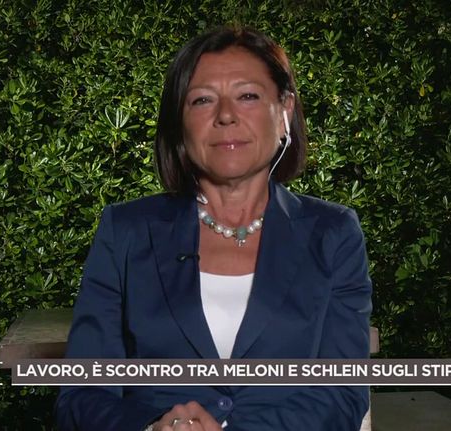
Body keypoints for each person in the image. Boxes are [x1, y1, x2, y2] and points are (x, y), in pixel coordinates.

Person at [55, 26, 373, 431]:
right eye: (202, 100)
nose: (225, 115)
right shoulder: (126, 231)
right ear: (180, 123)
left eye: (248, 96)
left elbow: (343, 393)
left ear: (284, 112)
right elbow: (81, 395)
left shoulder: (334, 233)